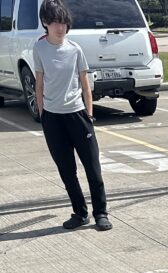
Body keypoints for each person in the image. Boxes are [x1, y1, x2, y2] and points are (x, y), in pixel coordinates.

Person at [33, 1, 111, 232]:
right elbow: (39, 83)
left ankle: (101, 213)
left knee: (92, 168)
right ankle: (80, 212)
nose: (60, 27)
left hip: (77, 115)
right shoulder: (39, 49)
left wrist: (89, 114)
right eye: (55, 22)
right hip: (52, 118)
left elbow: (86, 86)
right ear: (45, 23)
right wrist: (42, 113)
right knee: (67, 171)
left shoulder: (75, 49)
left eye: (64, 22)